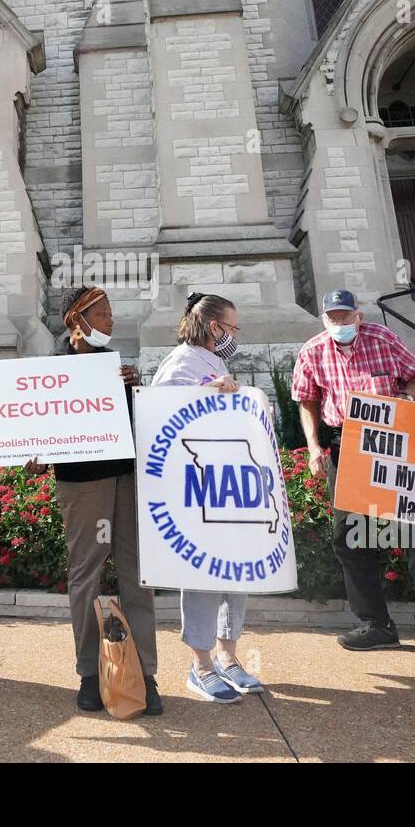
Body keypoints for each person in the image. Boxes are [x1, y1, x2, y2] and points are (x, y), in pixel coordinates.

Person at [25, 287, 162, 714]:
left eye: (110, 313)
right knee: (87, 573)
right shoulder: (52, 373)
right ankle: (89, 672)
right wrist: (28, 455)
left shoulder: (116, 368)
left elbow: (138, 425)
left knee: (138, 573)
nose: (111, 321)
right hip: (83, 484)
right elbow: (34, 431)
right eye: (102, 314)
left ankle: (144, 673)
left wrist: (136, 391)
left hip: (127, 477)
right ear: (76, 322)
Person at [292, 289, 415, 658]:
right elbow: (307, 399)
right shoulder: (313, 350)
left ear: (358, 316)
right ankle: (377, 624)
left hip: (398, 439)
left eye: (345, 316)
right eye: (333, 317)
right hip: (348, 443)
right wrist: (314, 448)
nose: (339, 323)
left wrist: (405, 401)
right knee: (349, 538)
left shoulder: (384, 338)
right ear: (325, 319)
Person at [151, 292, 264, 703]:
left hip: (226, 485)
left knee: (233, 573)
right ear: (215, 326)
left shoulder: (213, 360)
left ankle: (228, 658)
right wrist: (206, 393)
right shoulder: (182, 361)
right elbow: (160, 413)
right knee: (204, 576)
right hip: (199, 490)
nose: (235, 335)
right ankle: (200, 665)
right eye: (232, 328)